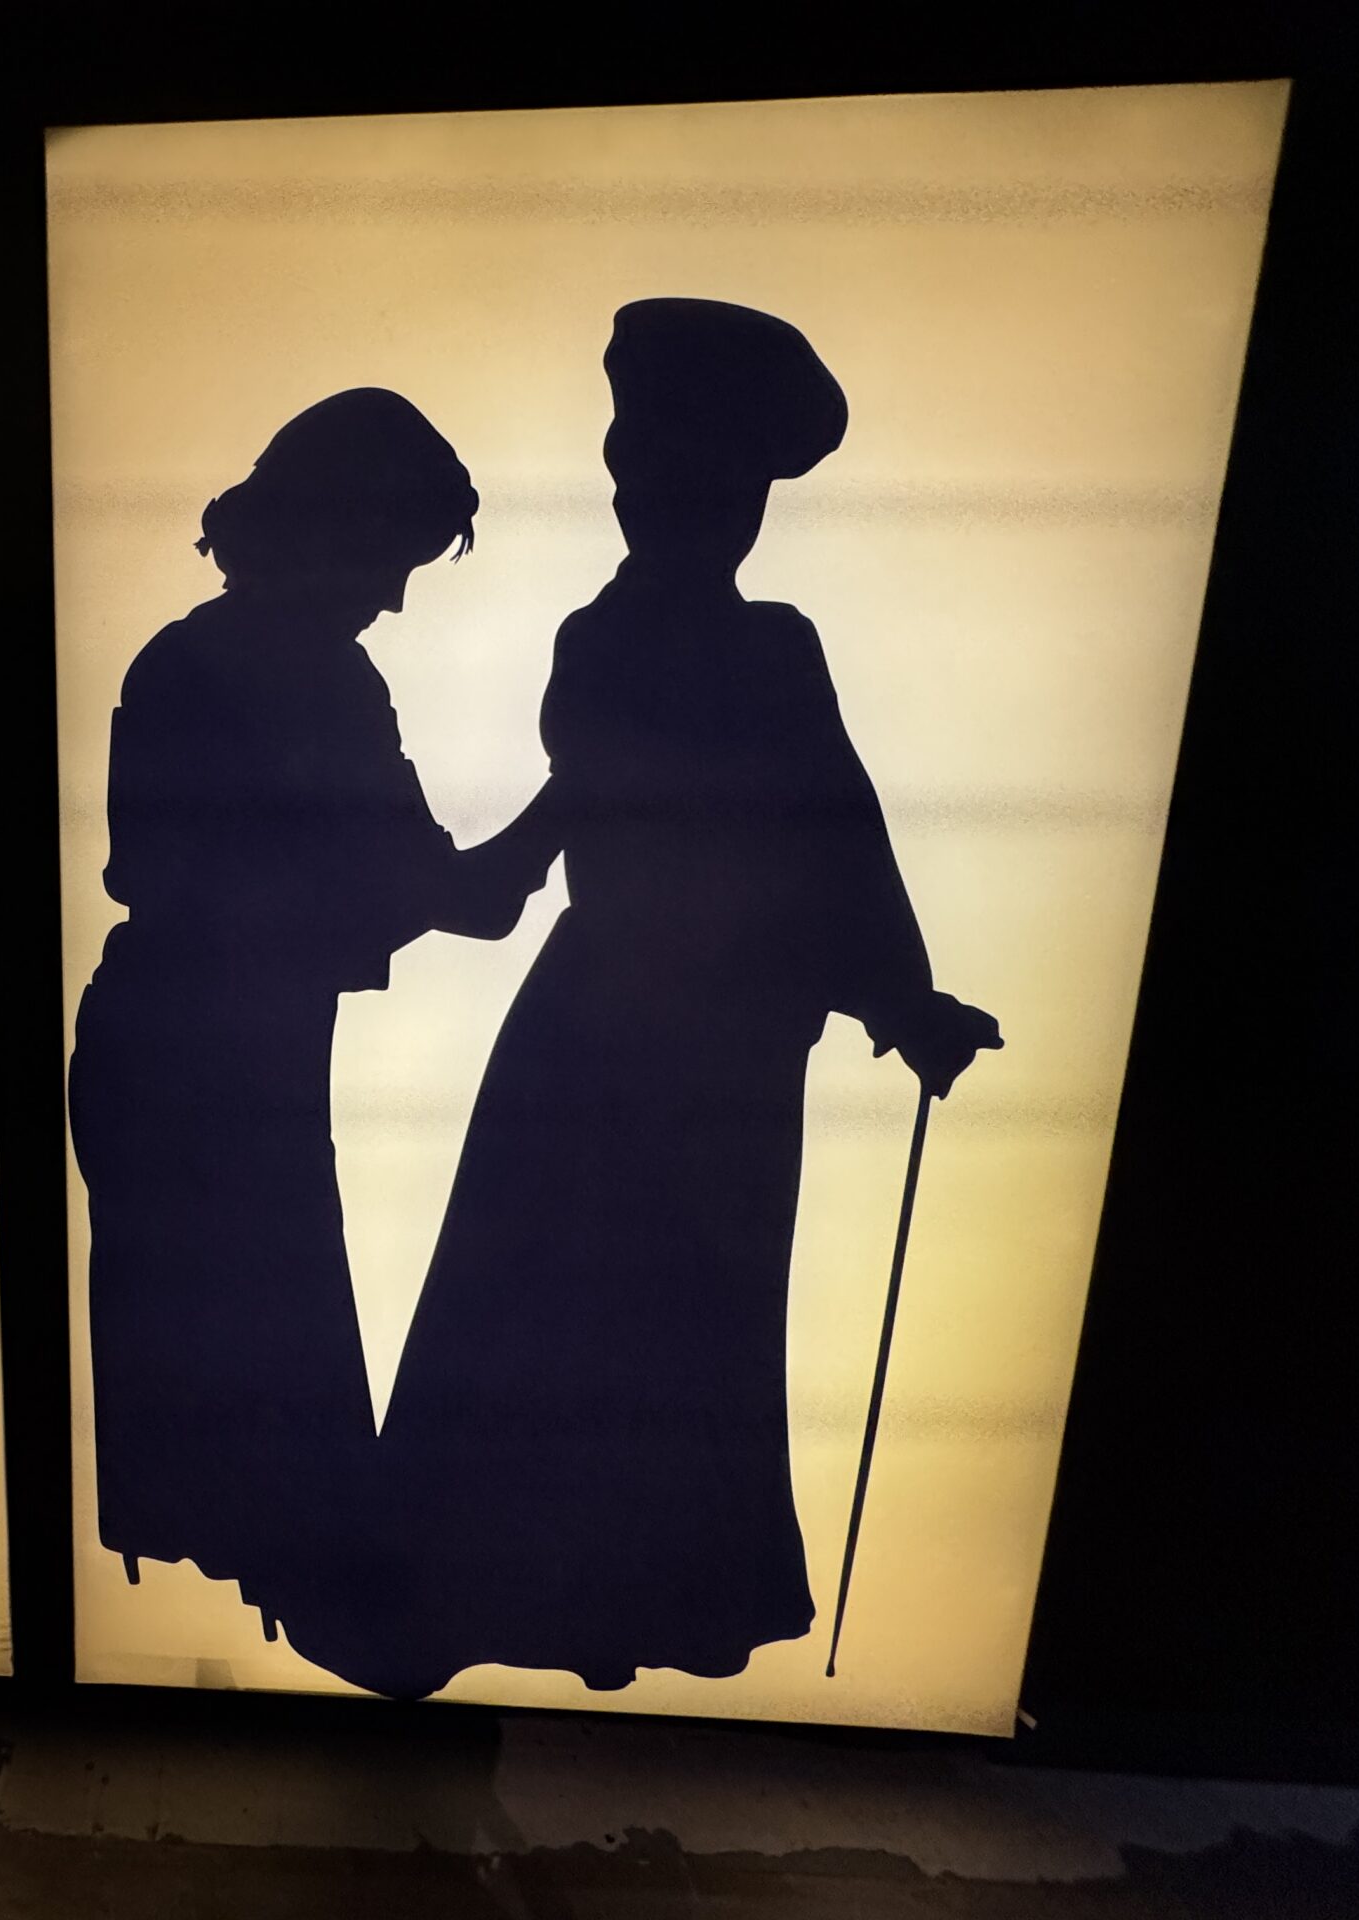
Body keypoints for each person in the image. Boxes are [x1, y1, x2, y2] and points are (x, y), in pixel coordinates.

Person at [357, 300, 1001, 1698]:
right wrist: (896, 997)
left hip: (645, 1025)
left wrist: (901, 1000)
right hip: (681, 1035)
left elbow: (825, 834)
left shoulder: (651, 640)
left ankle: (590, 1601)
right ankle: (582, 1599)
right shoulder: (709, 646)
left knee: (608, 1308)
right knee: (618, 1308)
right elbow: (820, 838)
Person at [67, 389, 558, 1638]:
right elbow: (459, 897)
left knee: (227, 1399)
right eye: (391, 560)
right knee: (273, 1394)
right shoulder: (314, 676)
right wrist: (581, 795)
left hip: (169, 1049)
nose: (391, 598)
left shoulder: (185, 655)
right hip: (223, 1069)